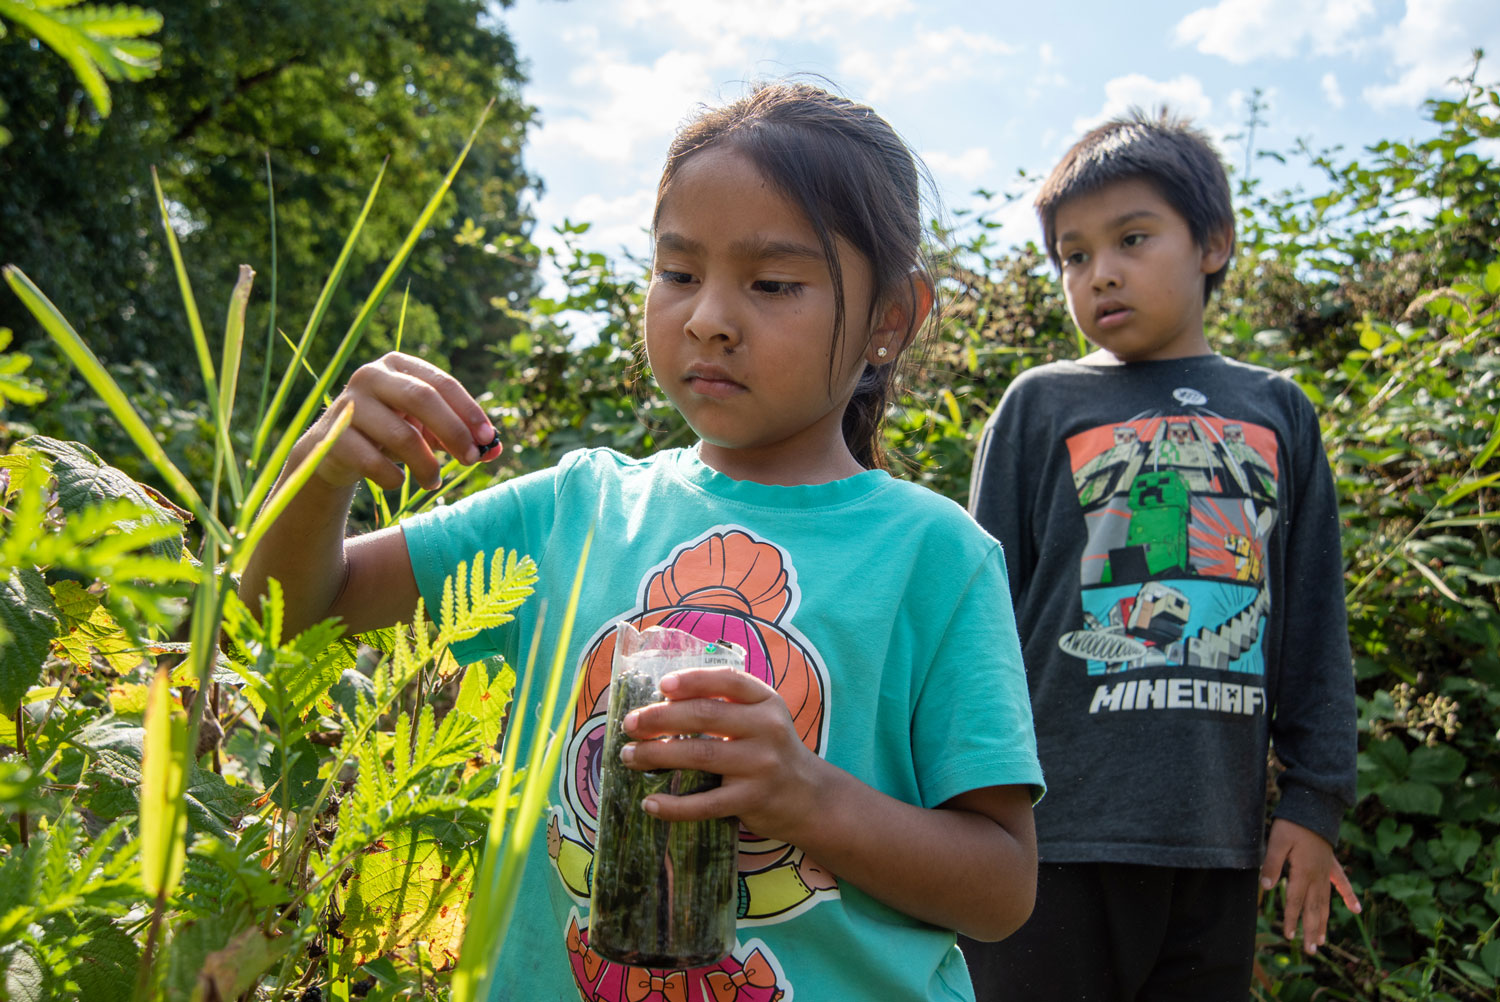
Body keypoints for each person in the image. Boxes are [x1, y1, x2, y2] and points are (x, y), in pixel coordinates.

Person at [241, 82, 1044, 1001]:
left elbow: (1001, 889)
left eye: (773, 282)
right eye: (678, 272)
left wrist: (802, 794)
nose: (709, 316)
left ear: (889, 320)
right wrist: (321, 470)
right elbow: (295, 611)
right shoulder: (572, 514)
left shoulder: (934, 557)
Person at [961, 109, 1360, 1001]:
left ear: (1212, 242)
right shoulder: (1038, 407)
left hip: (1213, 843)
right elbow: (975, 627)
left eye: (1132, 238)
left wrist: (1312, 803)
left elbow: (1311, 622)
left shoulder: (1278, 412)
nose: (1100, 271)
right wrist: (963, 810)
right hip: (1044, 844)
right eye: (1073, 254)